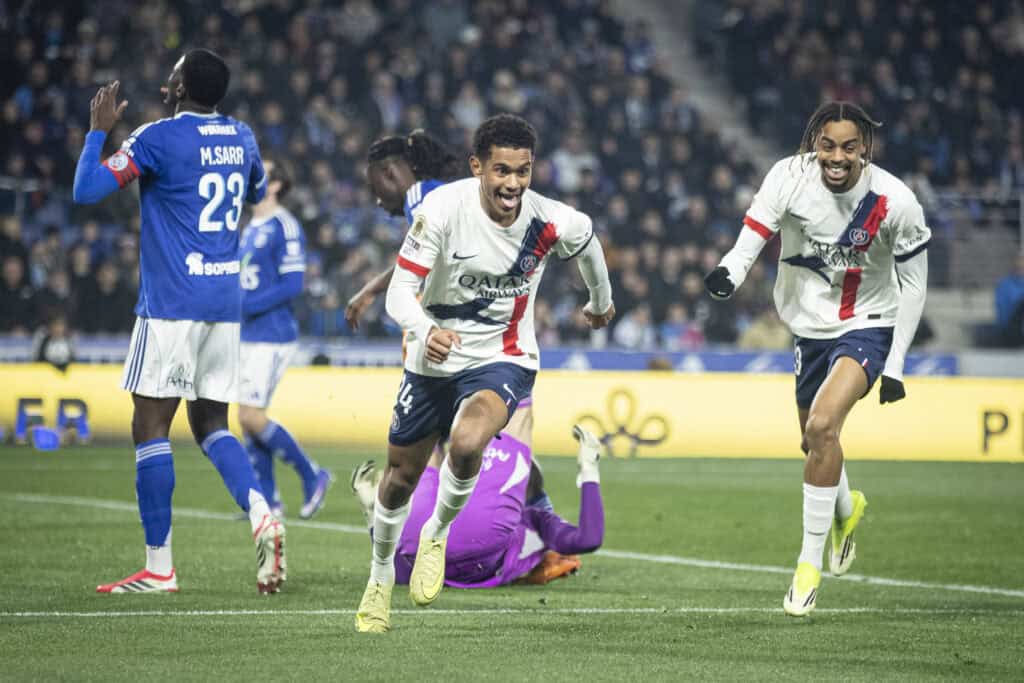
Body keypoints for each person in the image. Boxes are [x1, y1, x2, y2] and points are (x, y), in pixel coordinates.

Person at [355, 114, 615, 633]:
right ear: (477, 167)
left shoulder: (549, 220)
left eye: (523, 171)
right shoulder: (440, 210)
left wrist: (600, 303)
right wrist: (426, 329)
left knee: (469, 440)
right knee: (398, 480)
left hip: (504, 357)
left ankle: (436, 534)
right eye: (502, 171)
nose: (513, 184)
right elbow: (399, 293)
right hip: (431, 358)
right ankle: (379, 578)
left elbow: (588, 243)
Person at [72, 49, 286, 594]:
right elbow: (257, 193)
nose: (165, 82)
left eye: (172, 75)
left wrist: (99, 133)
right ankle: (261, 510)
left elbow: (87, 191)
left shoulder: (155, 137)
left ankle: (159, 567)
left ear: (181, 86)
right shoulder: (241, 135)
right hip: (224, 303)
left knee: (149, 427)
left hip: (171, 303)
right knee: (213, 424)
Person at [704, 101, 930, 616]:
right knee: (812, 439)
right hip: (808, 328)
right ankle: (847, 511)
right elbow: (753, 235)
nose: (836, 156)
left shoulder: (895, 201)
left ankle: (808, 566)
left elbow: (914, 285)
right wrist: (730, 273)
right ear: (815, 143)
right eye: (828, 145)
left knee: (825, 425)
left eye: (849, 147)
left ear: (864, 149)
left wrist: (895, 362)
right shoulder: (789, 176)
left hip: (868, 325)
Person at [351, 421, 604, 589]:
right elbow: (589, 538)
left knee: (430, 439)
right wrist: (589, 469)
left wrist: (375, 522)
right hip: (470, 558)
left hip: (425, 543)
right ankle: (378, 512)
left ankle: (380, 510)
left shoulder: (526, 517)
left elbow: (400, 564)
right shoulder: (537, 522)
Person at [238, 157, 333, 519]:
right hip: (248, 333)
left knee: (250, 415)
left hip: (272, 332)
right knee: (247, 416)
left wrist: (245, 307)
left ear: (276, 185)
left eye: (259, 174)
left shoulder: (285, 225)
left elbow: (293, 284)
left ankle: (311, 474)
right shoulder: (250, 226)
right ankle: (268, 504)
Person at [343, 129, 462, 330]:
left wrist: (371, 290)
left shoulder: (419, 195)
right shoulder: (437, 189)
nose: (378, 201)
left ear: (389, 173)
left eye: (375, 187)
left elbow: (424, 256)